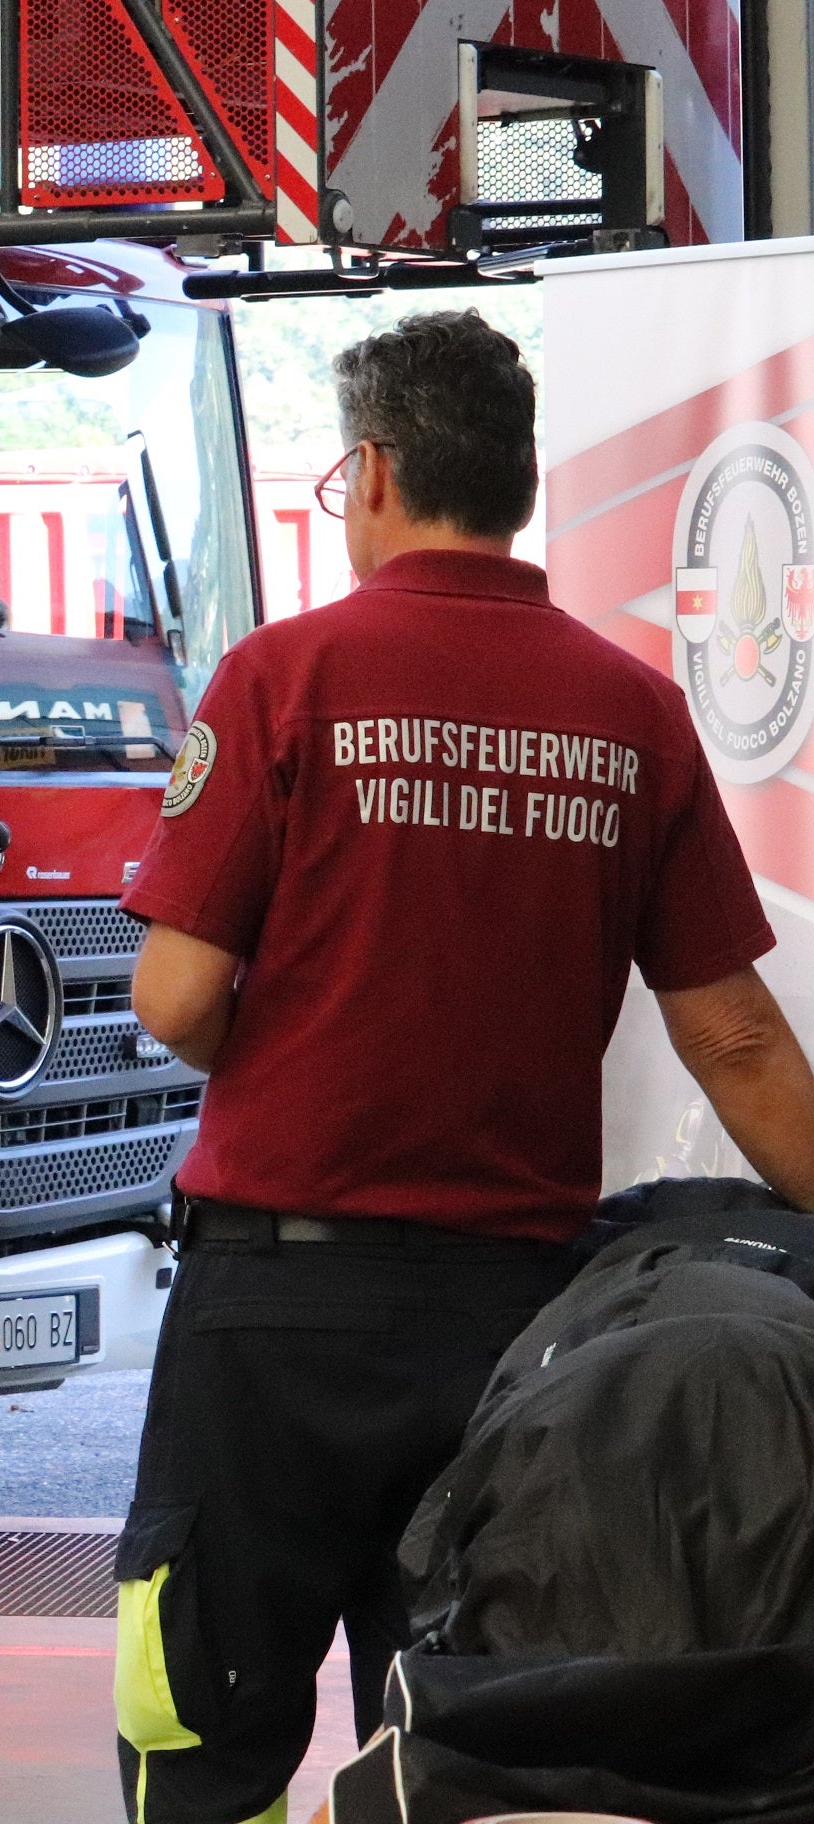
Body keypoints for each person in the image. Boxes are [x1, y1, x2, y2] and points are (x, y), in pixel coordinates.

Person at [115, 310, 814, 1821]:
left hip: (278, 1313)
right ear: (512, 480)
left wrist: (301, 1041)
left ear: (369, 473)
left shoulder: (283, 677)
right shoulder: (631, 711)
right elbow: (738, 1037)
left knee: (198, 1714)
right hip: (516, 1322)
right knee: (464, 1733)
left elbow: (174, 998)